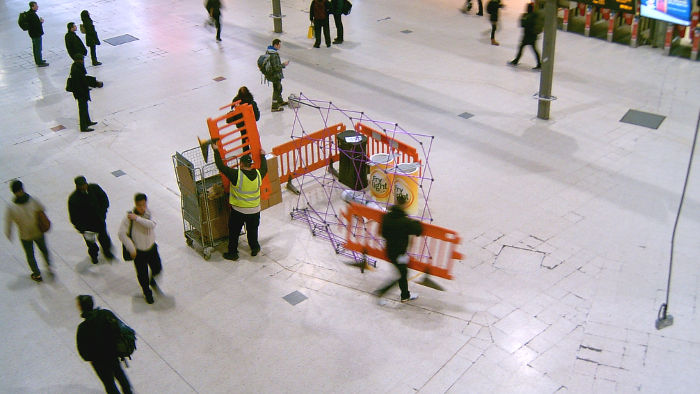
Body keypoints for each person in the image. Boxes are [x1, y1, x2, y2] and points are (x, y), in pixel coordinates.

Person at [213, 149, 268, 261]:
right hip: (255, 211)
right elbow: (265, 169)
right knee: (253, 231)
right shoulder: (258, 174)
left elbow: (220, 166)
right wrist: (262, 156)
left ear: (241, 164)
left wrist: (215, 150)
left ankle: (233, 253)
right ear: (251, 164)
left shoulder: (236, 175)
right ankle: (255, 248)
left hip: (239, 211)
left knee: (234, 232)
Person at [76, 295, 132, 394]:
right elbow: (119, 328)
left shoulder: (82, 329)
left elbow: (83, 352)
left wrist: (92, 357)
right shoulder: (106, 314)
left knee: (109, 383)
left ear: (81, 307)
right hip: (113, 353)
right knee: (120, 375)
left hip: (99, 362)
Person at [374, 194, 423, 303]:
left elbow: (382, 233)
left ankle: (405, 295)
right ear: (405, 205)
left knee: (402, 273)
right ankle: (381, 292)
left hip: (390, 251)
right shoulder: (405, 222)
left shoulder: (386, 217)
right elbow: (418, 230)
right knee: (401, 274)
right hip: (400, 253)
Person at [118, 193, 162, 304]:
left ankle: (152, 281)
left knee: (157, 268)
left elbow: (151, 225)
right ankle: (147, 293)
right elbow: (121, 234)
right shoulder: (128, 219)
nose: (142, 208)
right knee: (142, 275)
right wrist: (131, 248)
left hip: (152, 248)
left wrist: (137, 218)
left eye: (144, 205)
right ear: (136, 205)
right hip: (139, 253)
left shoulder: (149, 213)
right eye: (140, 205)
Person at [4, 180, 52, 282]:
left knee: (31, 254)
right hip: (36, 232)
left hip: (26, 235)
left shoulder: (12, 207)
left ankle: (37, 274)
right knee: (42, 251)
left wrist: (8, 233)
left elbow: (8, 222)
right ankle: (48, 267)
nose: (19, 192)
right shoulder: (32, 200)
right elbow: (42, 209)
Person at [68, 176, 114, 264]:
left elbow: (104, 200)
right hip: (87, 227)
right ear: (77, 186)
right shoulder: (74, 199)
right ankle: (94, 256)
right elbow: (74, 217)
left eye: (84, 184)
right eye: (81, 185)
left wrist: (102, 213)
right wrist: (81, 229)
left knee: (104, 239)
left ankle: (107, 252)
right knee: (91, 244)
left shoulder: (95, 188)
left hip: (99, 222)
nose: (83, 187)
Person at [69, 53, 102, 132]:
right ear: (79, 60)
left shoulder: (76, 66)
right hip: (80, 93)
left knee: (85, 108)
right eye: (82, 60)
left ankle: (87, 121)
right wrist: (93, 83)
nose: (83, 61)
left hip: (82, 91)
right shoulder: (76, 69)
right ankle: (83, 127)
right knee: (82, 109)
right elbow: (81, 81)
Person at [226, 86, 261, 152]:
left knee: (244, 136)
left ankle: (246, 151)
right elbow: (256, 115)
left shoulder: (236, 101)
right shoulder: (251, 102)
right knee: (253, 136)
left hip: (241, 124)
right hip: (250, 123)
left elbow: (233, 111)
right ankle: (255, 149)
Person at [509, 3, 541, 69]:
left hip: (530, 35)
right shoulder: (530, 15)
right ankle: (539, 64)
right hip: (529, 35)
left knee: (524, 48)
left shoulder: (530, 15)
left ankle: (516, 61)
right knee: (531, 49)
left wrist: (526, 23)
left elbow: (524, 23)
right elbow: (523, 23)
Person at [267, 39, 290, 112]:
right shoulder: (274, 55)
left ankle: (280, 101)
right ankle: (274, 106)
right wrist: (284, 64)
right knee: (277, 89)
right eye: (279, 45)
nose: (280, 46)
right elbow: (276, 67)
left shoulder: (269, 52)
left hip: (272, 75)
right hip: (275, 75)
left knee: (279, 88)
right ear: (275, 45)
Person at [26, 2, 48, 67]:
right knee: (38, 48)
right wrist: (40, 22)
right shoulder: (32, 15)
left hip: (32, 34)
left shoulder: (29, 14)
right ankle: (39, 62)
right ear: (32, 7)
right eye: (36, 6)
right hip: (36, 34)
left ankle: (38, 60)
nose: (37, 7)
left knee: (35, 48)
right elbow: (35, 25)